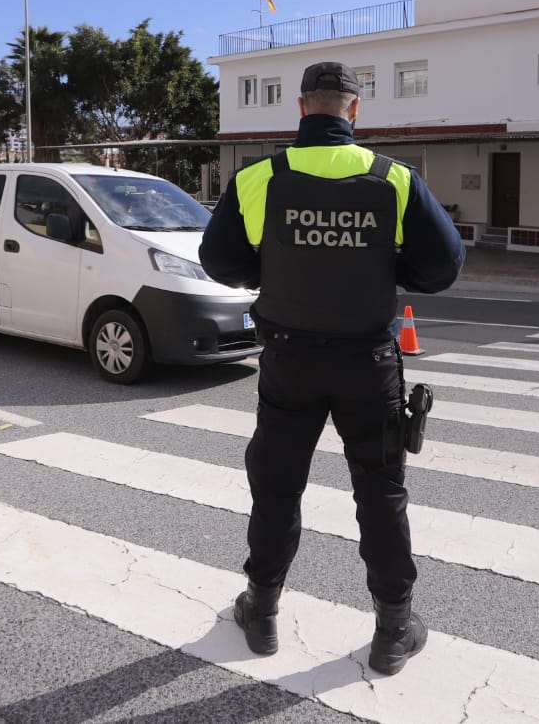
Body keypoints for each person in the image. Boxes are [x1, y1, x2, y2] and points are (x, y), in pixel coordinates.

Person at [199, 60, 464, 675]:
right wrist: (383, 267)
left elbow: (219, 261)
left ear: (300, 107)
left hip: (289, 359)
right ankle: (394, 629)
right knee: (380, 490)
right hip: (367, 364)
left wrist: (274, 269)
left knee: (276, 486)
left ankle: (261, 611)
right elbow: (444, 267)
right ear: (354, 110)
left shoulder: (258, 176)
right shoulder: (392, 178)